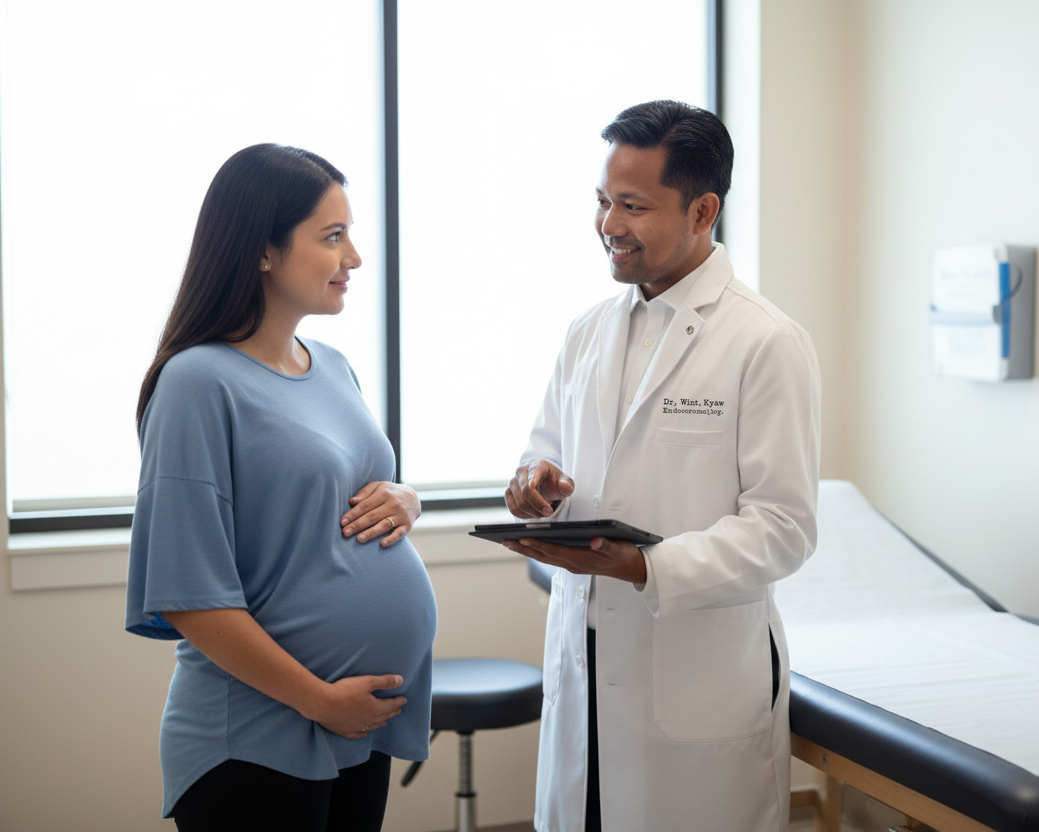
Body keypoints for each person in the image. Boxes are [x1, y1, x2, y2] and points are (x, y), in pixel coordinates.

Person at [504, 101, 821, 832]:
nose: (609, 224)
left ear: (703, 209)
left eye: (634, 206)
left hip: (694, 676)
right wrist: (536, 486)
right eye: (603, 201)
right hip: (585, 662)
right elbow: (541, 449)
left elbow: (785, 529)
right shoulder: (587, 331)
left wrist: (645, 567)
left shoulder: (765, 342)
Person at [125, 144, 437, 832]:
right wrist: (319, 700)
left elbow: (341, 488)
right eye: (332, 237)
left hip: (357, 724)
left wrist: (405, 497)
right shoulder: (196, 383)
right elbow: (188, 595)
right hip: (260, 739)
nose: (354, 258)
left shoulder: (332, 366)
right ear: (262, 251)